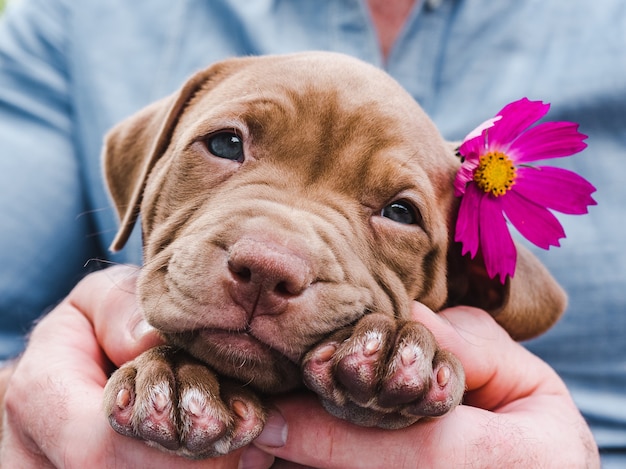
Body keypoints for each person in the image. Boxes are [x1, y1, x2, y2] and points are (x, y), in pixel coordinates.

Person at [0, 0, 623, 466]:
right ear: (149, 164)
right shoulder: (78, 15)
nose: (273, 258)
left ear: (468, 280)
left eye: (399, 212)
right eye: (225, 145)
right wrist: (25, 415)